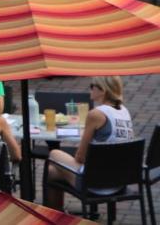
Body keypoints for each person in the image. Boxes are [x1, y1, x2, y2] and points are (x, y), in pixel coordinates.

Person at [45, 76, 134, 210]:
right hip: (119, 181)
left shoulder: (96, 115)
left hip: (95, 183)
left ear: (103, 90)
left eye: (92, 86)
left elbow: (80, 157)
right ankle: (57, 215)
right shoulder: (124, 111)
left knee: (54, 153)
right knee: (51, 172)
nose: (90, 89)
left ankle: (53, 217)